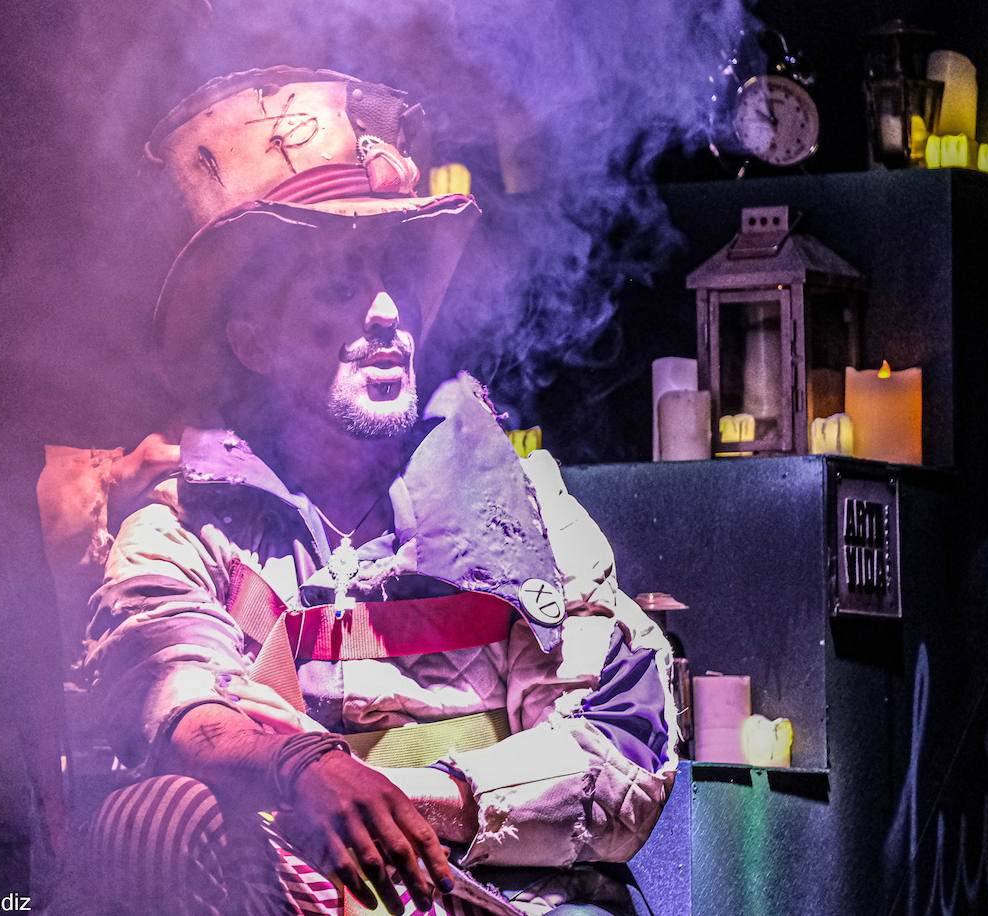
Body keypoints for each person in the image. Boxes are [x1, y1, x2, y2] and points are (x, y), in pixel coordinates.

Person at [66, 67, 678, 916]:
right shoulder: (185, 531)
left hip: (500, 902)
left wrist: (413, 803)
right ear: (253, 341)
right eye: (340, 284)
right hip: (302, 901)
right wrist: (301, 768)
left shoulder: (520, 509)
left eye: (394, 279)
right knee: (157, 817)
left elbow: (620, 747)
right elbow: (172, 697)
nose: (389, 312)